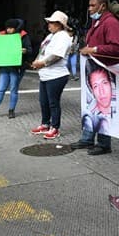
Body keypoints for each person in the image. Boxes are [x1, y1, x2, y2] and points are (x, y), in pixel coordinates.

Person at [70, 0, 119, 155]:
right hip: (94, 71)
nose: (90, 9)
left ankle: (103, 143)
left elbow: (117, 48)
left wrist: (93, 49)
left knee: (103, 108)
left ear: (102, 5)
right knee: (91, 107)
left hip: (104, 73)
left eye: (93, 5)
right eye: (89, 5)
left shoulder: (111, 22)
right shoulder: (99, 22)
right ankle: (87, 138)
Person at [30, 10, 72, 140]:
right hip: (46, 75)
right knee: (44, 101)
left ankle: (55, 128)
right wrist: (36, 61)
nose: (49, 24)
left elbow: (57, 56)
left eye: (52, 22)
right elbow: (43, 51)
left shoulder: (63, 36)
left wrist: (41, 63)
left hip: (57, 75)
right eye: (49, 22)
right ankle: (45, 124)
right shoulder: (50, 36)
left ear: (59, 24)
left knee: (53, 102)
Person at [0, 19, 32, 119]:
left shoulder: (23, 36)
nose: (8, 30)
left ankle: (11, 110)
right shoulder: (3, 36)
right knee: (0, 89)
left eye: (10, 28)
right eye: (7, 28)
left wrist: (25, 51)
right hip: (6, 67)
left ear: (16, 28)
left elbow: (30, 50)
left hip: (17, 67)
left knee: (13, 89)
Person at [82, 59, 114, 136]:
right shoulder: (89, 113)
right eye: (96, 86)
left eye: (104, 83)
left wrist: (94, 49)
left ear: (111, 83)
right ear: (92, 90)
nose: (101, 91)